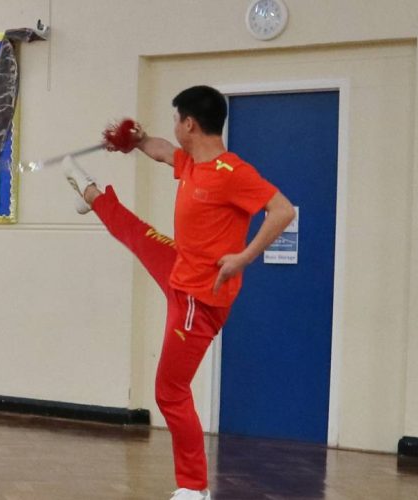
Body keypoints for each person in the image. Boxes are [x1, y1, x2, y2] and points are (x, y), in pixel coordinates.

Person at [63, 86, 295, 500]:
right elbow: (163, 151)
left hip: (199, 299)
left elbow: (283, 210)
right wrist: (135, 142)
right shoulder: (192, 163)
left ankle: (193, 487)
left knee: (169, 391)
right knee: (136, 234)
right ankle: (89, 193)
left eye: (175, 119)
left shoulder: (233, 172)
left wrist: (244, 257)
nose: (172, 127)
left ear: (190, 123)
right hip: (179, 267)